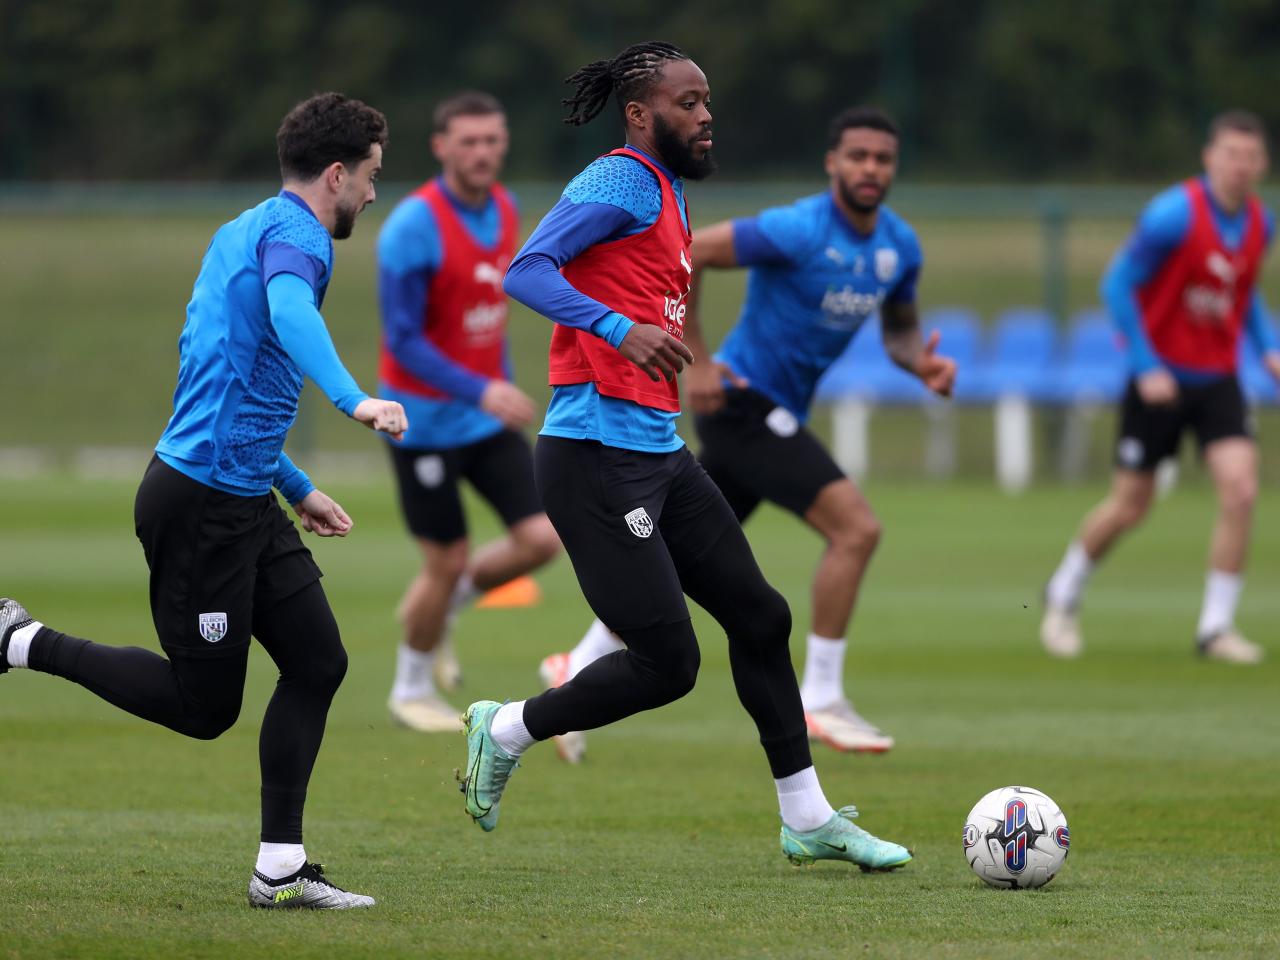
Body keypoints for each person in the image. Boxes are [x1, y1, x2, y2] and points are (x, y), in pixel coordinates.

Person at [457, 41, 912, 872]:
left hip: (659, 453)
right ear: (640, 114)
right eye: (689, 103)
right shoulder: (622, 178)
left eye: (708, 103)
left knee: (762, 618)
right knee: (669, 666)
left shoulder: (666, 193)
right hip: (593, 457)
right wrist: (614, 326)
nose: (707, 118)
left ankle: (807, 818)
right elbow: (527, 270)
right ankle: (508, 728)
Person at [0, 93, 404, 909]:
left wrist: (297, 486)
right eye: (369, 178)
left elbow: (228, 382)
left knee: (319, 662)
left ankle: (279, 869)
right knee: (202, 707)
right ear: (336, 173)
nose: (370, 195)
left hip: (244, 492)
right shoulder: (298, 239)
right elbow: (291, 317)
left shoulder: (238, 231)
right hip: (201, 506)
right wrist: (354, 399)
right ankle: (19, 639)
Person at [539, 107, 955, 760]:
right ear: (833, 163)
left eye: (883, 159)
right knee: (857, 528)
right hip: (743, 406)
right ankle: (820, 696)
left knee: (676, 563)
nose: (871, 169)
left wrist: (920, 362)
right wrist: (697, 356)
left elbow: (901, 329)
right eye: (858, 157)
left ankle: (580, 660)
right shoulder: (796, 228)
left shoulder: (898, 246)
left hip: (777, 411)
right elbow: (696, 252)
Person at [1041, 109, 1278, 664]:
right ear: (1209, 157)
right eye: (1230, 154)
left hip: (1218, 377)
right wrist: (1146, 365)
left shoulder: (1261, 223)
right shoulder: (1173, 215)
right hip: (1160, 381)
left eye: (1251, 157)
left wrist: (1267, 348)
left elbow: (1245, 291)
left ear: (1262, 164)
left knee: (1241, 490)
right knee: (1130, 507)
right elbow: (1118, 284)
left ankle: (1215, 627)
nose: (1240, 166)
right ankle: (1063, 592)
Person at [377, 91, 561, 732]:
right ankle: (410, 687)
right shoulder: (412, 227)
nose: (483, 152)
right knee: (447, 557)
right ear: (442, 147)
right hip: (421, 422)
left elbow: (485, 317)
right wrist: (480, 388)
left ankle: (441, 608)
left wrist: (495, 388)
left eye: (492, 140)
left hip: (484, 420)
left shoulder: (505, 209)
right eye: (469, 141)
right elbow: (403, 342)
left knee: (543, 538)